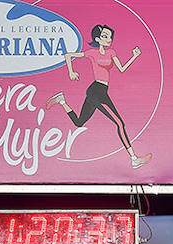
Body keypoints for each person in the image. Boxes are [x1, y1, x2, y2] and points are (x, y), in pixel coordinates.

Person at [47, 24, 152, 169]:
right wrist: (71, 71)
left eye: (110, 37)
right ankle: (134, 159)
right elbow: (68, 55)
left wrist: (134, 56)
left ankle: (62, 101)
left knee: (79, 122)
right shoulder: (92, 53)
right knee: (120, 123)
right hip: (96, 91)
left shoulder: (111, 53)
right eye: (104, 36)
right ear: (97, 39)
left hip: (101, 91)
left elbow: (121, 69)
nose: (108, 39)